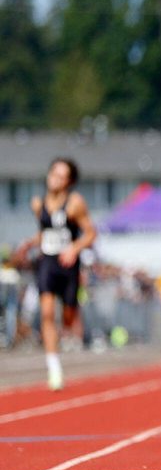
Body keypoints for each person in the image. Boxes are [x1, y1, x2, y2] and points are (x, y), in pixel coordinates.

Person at [13, 158, 96, 390]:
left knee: (68, 317)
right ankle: (54, 369)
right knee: (47, 312)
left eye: (61, 176)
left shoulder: (75, 203)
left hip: (68, 265)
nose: (55, 179)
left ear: (69, 181)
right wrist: (30, 243)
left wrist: (74, 248)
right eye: (53, 174)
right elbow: (45, 233)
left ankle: (68, 319)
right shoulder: (38, 203)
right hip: (48, 262)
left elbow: (90, 233)